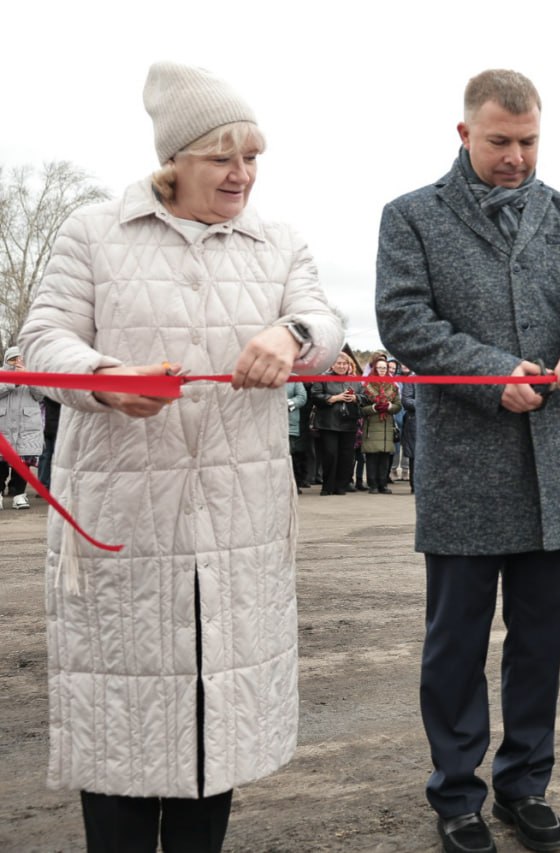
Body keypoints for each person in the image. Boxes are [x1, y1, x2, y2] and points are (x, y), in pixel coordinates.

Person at [17, 61, 343, 851]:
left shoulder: (281, 241)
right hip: (124, 522)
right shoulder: (93, 232)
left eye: (253, 156)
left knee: (214, 726)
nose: (242, 174)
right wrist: (102, 377)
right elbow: (40, 339)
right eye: (222, 157)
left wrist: (290, 336)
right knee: (123, 726)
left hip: (236, 529)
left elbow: (323, 324)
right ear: (174, 160)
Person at [375, 69, 560, 853]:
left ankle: (525, 783)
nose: (516, 157)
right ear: (464, 135)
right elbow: (403, 319)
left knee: (538, 641)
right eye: (500, 142)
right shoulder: (413, 216)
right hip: (466, 465)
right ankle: (456, 791)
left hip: (554, 466)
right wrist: (492, 374)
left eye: (528, 142)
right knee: (455, 640)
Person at [310, 351, 362, 495]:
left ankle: (341, 486)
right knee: (330, 455)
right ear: (332, 365)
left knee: (346, 457)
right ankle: (328, 487)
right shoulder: (322, 378)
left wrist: (355, 398)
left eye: (344, 363)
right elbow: (315, 396)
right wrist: (334, 398)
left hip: (349, 423)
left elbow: (364, 397)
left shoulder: (355, 380)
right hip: (328, 423)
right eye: (339, 363)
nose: (341, 366)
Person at [0, 347, 43, 509]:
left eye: (20, 359)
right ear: (6, 360)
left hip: (27, 428)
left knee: (23, 464)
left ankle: (19, 495)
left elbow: (40, 395)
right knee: (0, 464)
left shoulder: (32, 374)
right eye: (13, 359)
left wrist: (29, 379)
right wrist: (13, 383)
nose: (17, 363)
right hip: (3, 426)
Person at [359, 356, 402, 494]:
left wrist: (389, 406)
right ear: (374, 369)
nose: (382, 370)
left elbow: (398, 405)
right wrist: (374, 408)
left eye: (385, 368)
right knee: (372, 456)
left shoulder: (393, 386)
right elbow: (360, 408)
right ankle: (372, 484)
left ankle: (383, 484)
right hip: (372, 425)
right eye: (380, 368)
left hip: (387, 425)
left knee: (384, 456)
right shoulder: (366, 386)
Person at [285, 380, 310, 492]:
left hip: (289, 424)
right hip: (268, 423)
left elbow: (301, 397)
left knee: (291, 455)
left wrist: (286, 403)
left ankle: (293, 484)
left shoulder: (295, 379)